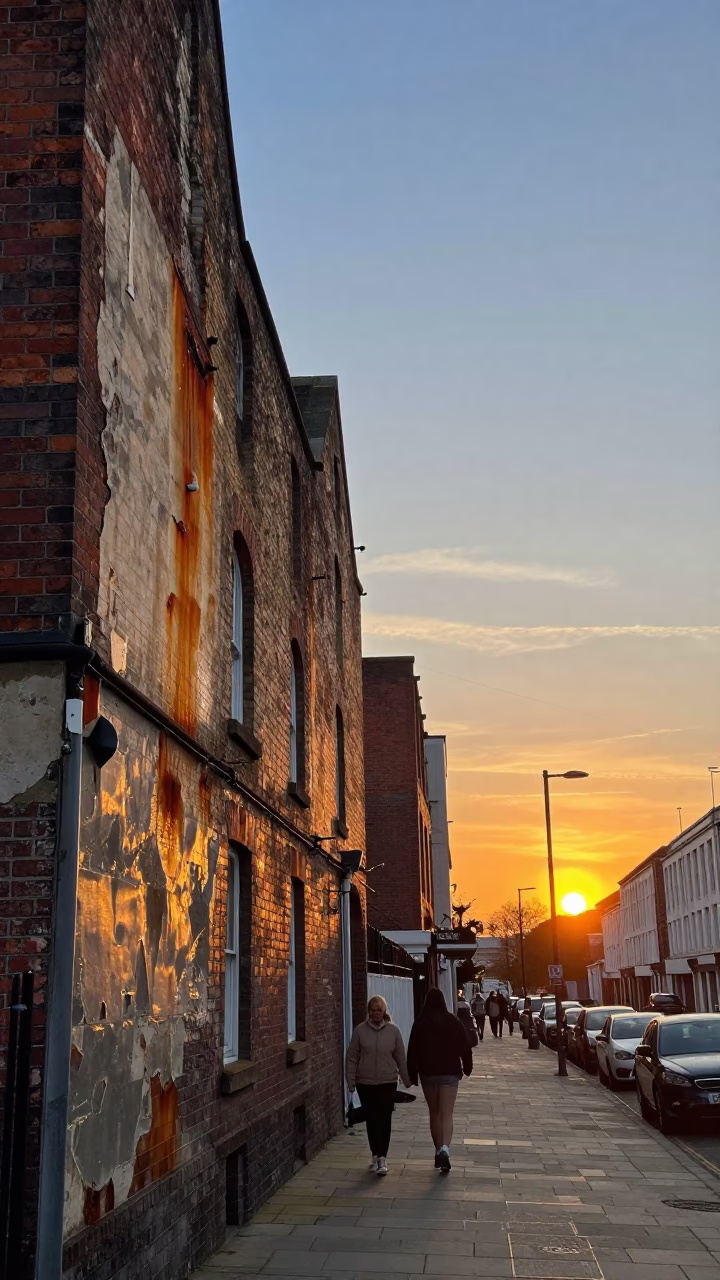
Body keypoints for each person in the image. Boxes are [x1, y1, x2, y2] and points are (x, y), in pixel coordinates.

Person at [407, 987, 473, 1172]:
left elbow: (413, 1049)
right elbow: (465, 1046)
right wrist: (467, 1067)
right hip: (450, 1072)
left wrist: (412, 1073)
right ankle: (445, 1148)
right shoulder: (453, 1021)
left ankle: (437, 1151)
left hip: (428, 1073)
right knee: (447, 1113)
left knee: (434, 1112)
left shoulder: (420, 1022)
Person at [345, 995, 412, 1176]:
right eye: (373, 1009)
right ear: (369, 1011)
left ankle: (382, 1157)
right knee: (371, 1118)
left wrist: (407, 1080)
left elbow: (400, 1057)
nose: (376, 1013)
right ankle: (375, 1151)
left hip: (387, 1081)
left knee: (384, 1118)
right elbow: (352, 1057)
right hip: (365, 1082)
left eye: (379, 1010)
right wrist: (350, 1081)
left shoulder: (393, 1031)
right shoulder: (360, 1031)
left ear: (385, 1011)